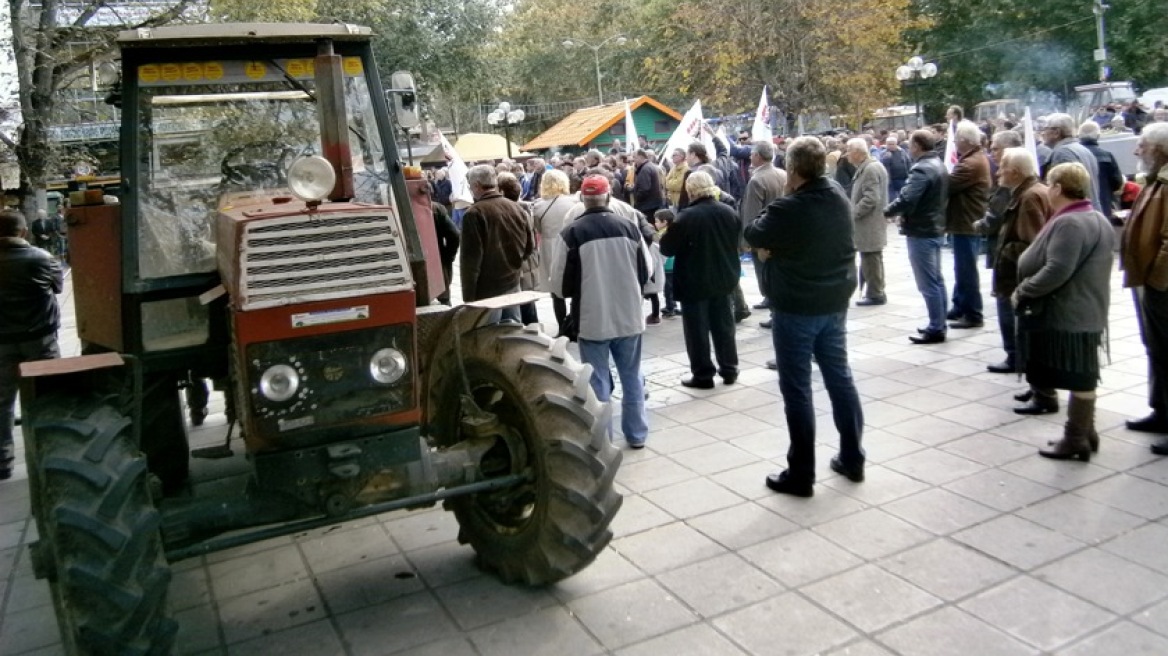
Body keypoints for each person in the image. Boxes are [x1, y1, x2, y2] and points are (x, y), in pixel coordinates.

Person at [744, 137, 864, 497]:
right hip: (834, 300)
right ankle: (852, 456)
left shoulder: (790, 206)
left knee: (797, 390)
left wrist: (773, 243)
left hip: (798, 306)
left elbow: (752, 232)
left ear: (793, 170)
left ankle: (801, 474)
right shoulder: (838, 197)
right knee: (839, 379)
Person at [1013, 163, 1114, 459]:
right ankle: (1086, 432)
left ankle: (1076, 437)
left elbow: (1058, 268)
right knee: (1083, 372)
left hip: (1073, 312)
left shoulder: (1070, 222)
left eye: (1049, 184)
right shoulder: (1092, 217)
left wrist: (1024, 290)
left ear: (1058, 188)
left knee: (1081, 375)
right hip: (1085, 309)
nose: (1046, 189)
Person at [549, 175, 651, 449]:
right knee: (632, 376)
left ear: (583, 199)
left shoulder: (571, 233)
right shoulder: (630, 227)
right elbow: (648, 270)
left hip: (592, 318)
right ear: (608, 197)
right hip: (629, 314)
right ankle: (637, 434)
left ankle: (603, 442)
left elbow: (558, 285)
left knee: (597, 380)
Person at [661, 172, 741, 389]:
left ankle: (703, 375)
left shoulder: (686, 217)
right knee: (724, 327)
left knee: (697, 331)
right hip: (724, 278)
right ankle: (729, 369)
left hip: (695, 281)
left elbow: (667, 248)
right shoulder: (728, 211)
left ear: (691, 190)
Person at [0, 209, 64, 479]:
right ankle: (54, 454)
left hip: (1, 342)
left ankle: (3, 461)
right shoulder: (43, 258)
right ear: (24, 232)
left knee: (2, 401)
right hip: (40, 339)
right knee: (49, 395)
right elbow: (58, 287)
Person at [981, 148, 1051, 378]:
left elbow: (1032, 242)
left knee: (1013, 318)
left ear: (1016, 172)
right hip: (1015, 272)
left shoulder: (1029, 196)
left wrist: (1006, 251)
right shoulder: (1029, 191)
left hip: (1016, 274)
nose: (998, 171)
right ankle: (1019, 360)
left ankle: (1017, 358)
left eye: (1003, 167)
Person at [1122, 122, 1168, 452]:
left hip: (1161, 285)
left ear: (1160, 150)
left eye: (1143, 145)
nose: (1137, 151)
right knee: (1156, 349)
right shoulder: (1156, 181)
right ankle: (1161, 411)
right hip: (1151, 283)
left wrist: (1157, 278)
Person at [885, 130, 949, 343]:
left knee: (928, 282)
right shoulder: (938, 164)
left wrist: (886, 212)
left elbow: (907, 198)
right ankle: (939, 323)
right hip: (935, 227)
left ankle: (936, 327)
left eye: (911, 144)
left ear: (917, 146)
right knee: (936, 280)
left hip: (922, 230)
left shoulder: (922, 168)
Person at [459, 165, 534, 322]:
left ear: (477, 186)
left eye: (470, 186)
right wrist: (514, 265)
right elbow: (529, 247)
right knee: (514, 333)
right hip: (512, 283)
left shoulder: (474, 214)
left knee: (487, 336)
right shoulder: (517, 208)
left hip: (487, 291)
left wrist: (469, 298)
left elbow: (470, 261)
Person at [946, 120, 993, 329]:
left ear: (965, 141)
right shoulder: (974, 159)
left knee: (966, 270)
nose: (955, 143)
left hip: (966, 221)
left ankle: (973, 313)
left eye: (956, 139)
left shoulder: (970, 163)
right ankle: (959, 305)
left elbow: (948, 185)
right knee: (962, 268)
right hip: (965, 219)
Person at [740, 140, 787, 317]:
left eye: (752, 154)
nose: (750, 157)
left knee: (764, 273)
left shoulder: (757, 180)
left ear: (758, 156)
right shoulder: (783, 174)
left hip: (763, 235)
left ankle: (773, 307)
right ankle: (771, 302)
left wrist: (748, 240)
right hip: (781, 232)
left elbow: (751, 213)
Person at [846, 138, 890, 306]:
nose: (847, 154)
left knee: (871, 258)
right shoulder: (870, 167)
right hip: (871, 221)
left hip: (869, 222)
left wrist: (853, 214)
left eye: (849, 151)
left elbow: (871, 198)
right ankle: (875, 291)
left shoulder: (870, 169)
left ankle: (875, 293)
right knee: (871, 257)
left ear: (858, 152)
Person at [532, 169, 575, 334]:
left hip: (550, 247)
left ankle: (562, 328)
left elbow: (538, 229)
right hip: (571, 244)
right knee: (575, 284)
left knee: (555, 291)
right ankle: (574, 323)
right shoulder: (574, 203)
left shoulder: (538, 206)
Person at [497, 172, 540, 325]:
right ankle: (534, 328)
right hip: (529, 260)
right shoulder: (526, 208)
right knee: (527, 300)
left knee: (518, 300)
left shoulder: (508, 212)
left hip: (517, 262)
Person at [1042, 113, 1101, 212]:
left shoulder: (1062, 154)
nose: (1043, 133)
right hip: (1089, 212)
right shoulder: (1083, 149)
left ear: (1056, 132)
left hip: (1075, 216)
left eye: (1045, 129)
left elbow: (1065, 194)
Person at [1078, 121, 1124, 220]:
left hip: (1080, 206)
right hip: (1104, 203)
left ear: (1079, 136)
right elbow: (1117, 182)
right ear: (1098, 135)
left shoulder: (1074, 155)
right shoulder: (1107, 155)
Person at [653, 209, 678, 317]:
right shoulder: (674, 231)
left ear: (665, 222)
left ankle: (670, 307)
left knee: (668, 288)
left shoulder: (662, 234)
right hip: (674, 265)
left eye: (657, 221)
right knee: (672, 286)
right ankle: (673, 305)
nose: (655, 223)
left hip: (667, 265)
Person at [629, 148, 666, 218]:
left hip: (647, 207)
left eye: (635, 157)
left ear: (641, 157)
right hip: (652, 204)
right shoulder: (649, 166)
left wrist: (637, 199)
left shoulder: (645, 169)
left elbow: (644, 189)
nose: (633, 160)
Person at [882, 136, 912, 200]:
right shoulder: (883, 153)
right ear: (886, 144)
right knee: (892, 199)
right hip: (890, 180)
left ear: (896, 144)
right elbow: (881, 165)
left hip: (902, 179)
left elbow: (908, 162)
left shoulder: (902, 152)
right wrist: (886, 159)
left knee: (903, 197)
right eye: (889, 144)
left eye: (893, 144)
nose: (891, 146)